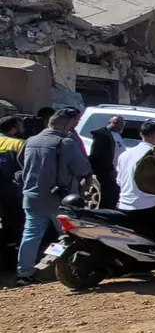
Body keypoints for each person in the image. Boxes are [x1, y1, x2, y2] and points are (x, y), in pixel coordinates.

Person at [15, 108, 90, 286]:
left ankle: (24, 272)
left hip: (32, 194)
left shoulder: (31, 141)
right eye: (75, 123)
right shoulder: (66, 143)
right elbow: (83, 168)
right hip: (60, 198)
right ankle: (71, 268)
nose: (75, 126)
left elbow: (20, 160)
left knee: (31, 234)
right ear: (67, 123)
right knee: (69, 234)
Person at [116, 120, 155, 238]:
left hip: (124, 206)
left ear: (141, 134)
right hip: (149, 208)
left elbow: (119, 181)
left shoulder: (124, 155)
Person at [0, 116, 26, 274]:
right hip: (11, 192)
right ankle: (11, 263)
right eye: (21, 126)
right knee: (15, 226)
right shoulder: (18, 144)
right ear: (14, 129)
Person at [88, 116, 125, 209]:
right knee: (107, 196)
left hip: (116, 170)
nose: (120, 126)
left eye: (122, 124)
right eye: (116, 123)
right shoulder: (102, 136)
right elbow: (99, 156)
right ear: (110, 122)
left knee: (113, 196)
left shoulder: (116, 135)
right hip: (106, 172)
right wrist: (110, 170)